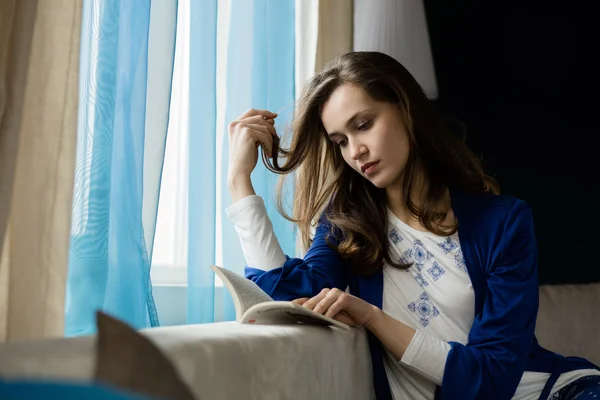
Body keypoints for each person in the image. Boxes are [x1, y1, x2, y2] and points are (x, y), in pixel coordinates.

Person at [225, 51, 600, 400]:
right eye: (341, 141)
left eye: (364, 125)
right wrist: (239, 182)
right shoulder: (346, 227)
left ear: (405, 111)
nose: (355, 152)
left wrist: (373, 317)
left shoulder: (503, 223)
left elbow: (493, 376)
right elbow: (279, 299)